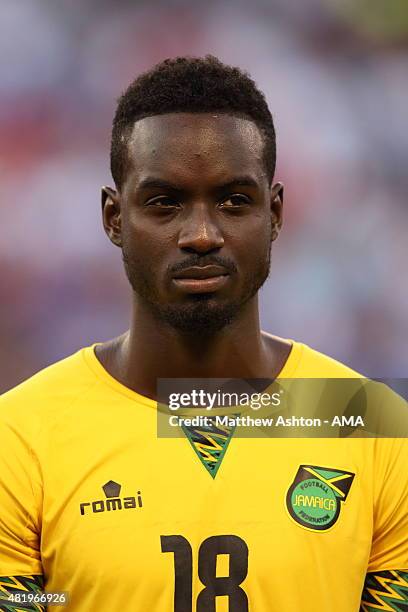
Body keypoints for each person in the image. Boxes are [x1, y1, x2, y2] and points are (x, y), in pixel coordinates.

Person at [0, 56, 407, 612]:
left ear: (276, 213)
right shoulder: (20, 440)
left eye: (233, 201)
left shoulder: (369, 425)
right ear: (114, 217)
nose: (200, 234)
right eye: (164, 203)